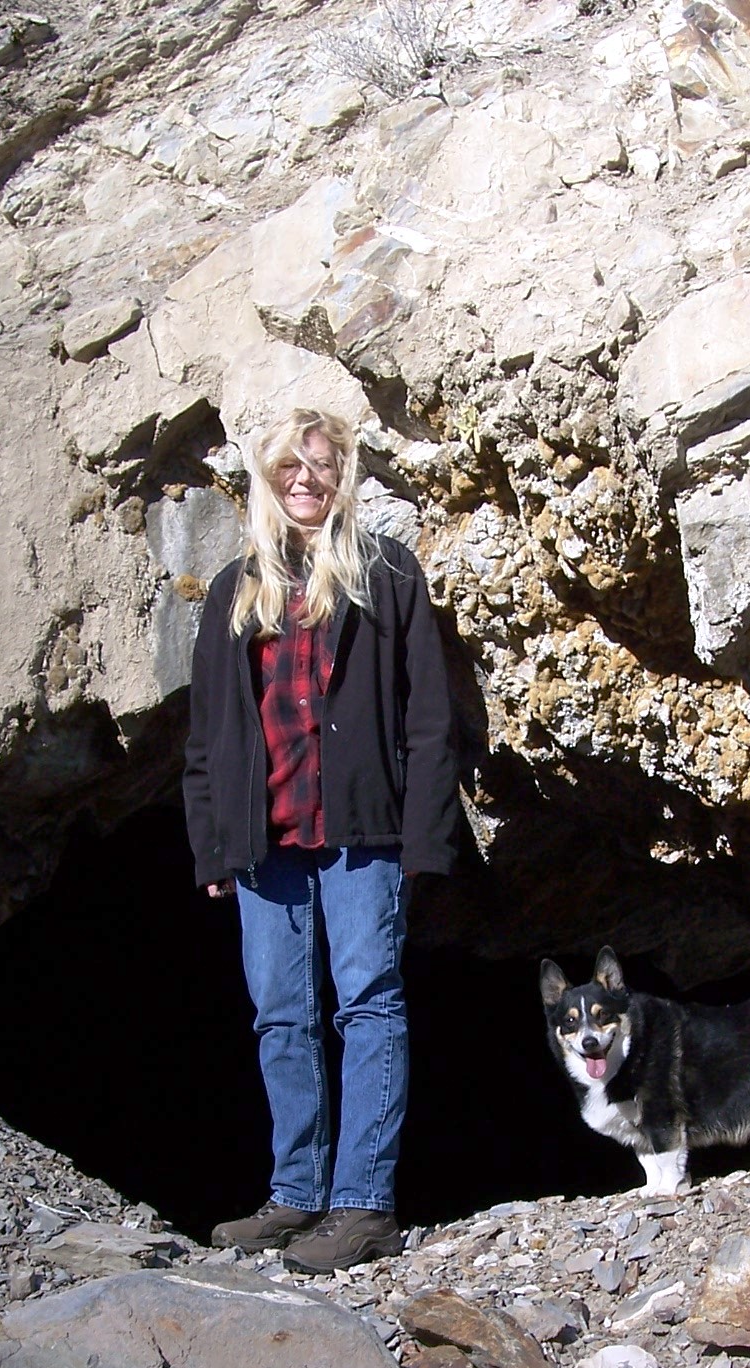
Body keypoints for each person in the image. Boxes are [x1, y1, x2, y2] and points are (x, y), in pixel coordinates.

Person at [183, 406, 459, 1273]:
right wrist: (212, 845)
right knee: (280, 1017)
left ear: (345, 476)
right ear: (266, 480)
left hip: (361, 830)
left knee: (369, 1004)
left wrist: (425, 842)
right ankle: (297, 1195)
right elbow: (206, 737)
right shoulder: (235, 590)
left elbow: (429, 718)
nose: (306, 480)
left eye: (323, 464)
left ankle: (363, 1203)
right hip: (264, 840)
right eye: (290, 467)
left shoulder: (386, 573)